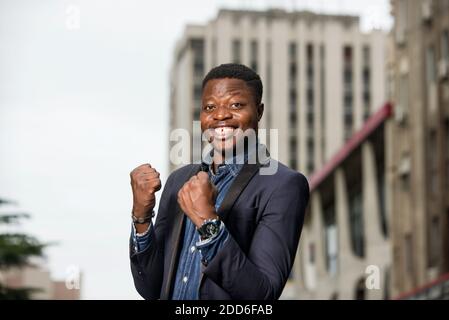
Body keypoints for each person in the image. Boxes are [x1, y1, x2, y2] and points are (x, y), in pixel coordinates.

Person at [129, 63, 309, 300]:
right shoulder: (178, 181)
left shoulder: (282, 185)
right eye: (210, 107)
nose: (220, 115)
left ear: (259, 111)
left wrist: (208, 224)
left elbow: (262, 295)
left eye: (236, 105)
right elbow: (150, 288)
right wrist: (141, 217)